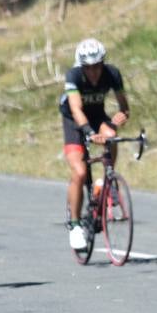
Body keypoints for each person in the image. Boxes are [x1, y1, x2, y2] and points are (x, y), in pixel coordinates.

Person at [59, 37, 130, 250]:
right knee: (79, 172)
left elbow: (124, 106)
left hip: (97, 115)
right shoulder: (73, 76)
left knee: (111, 135)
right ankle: (74, 225)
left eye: (98, 66)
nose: (94, 72)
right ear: (82, 66)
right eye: (89, 68)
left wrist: (120, 117)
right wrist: (89, 133)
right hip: (74, 120)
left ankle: (108, 179)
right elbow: (76, 108)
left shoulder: (112, 73)